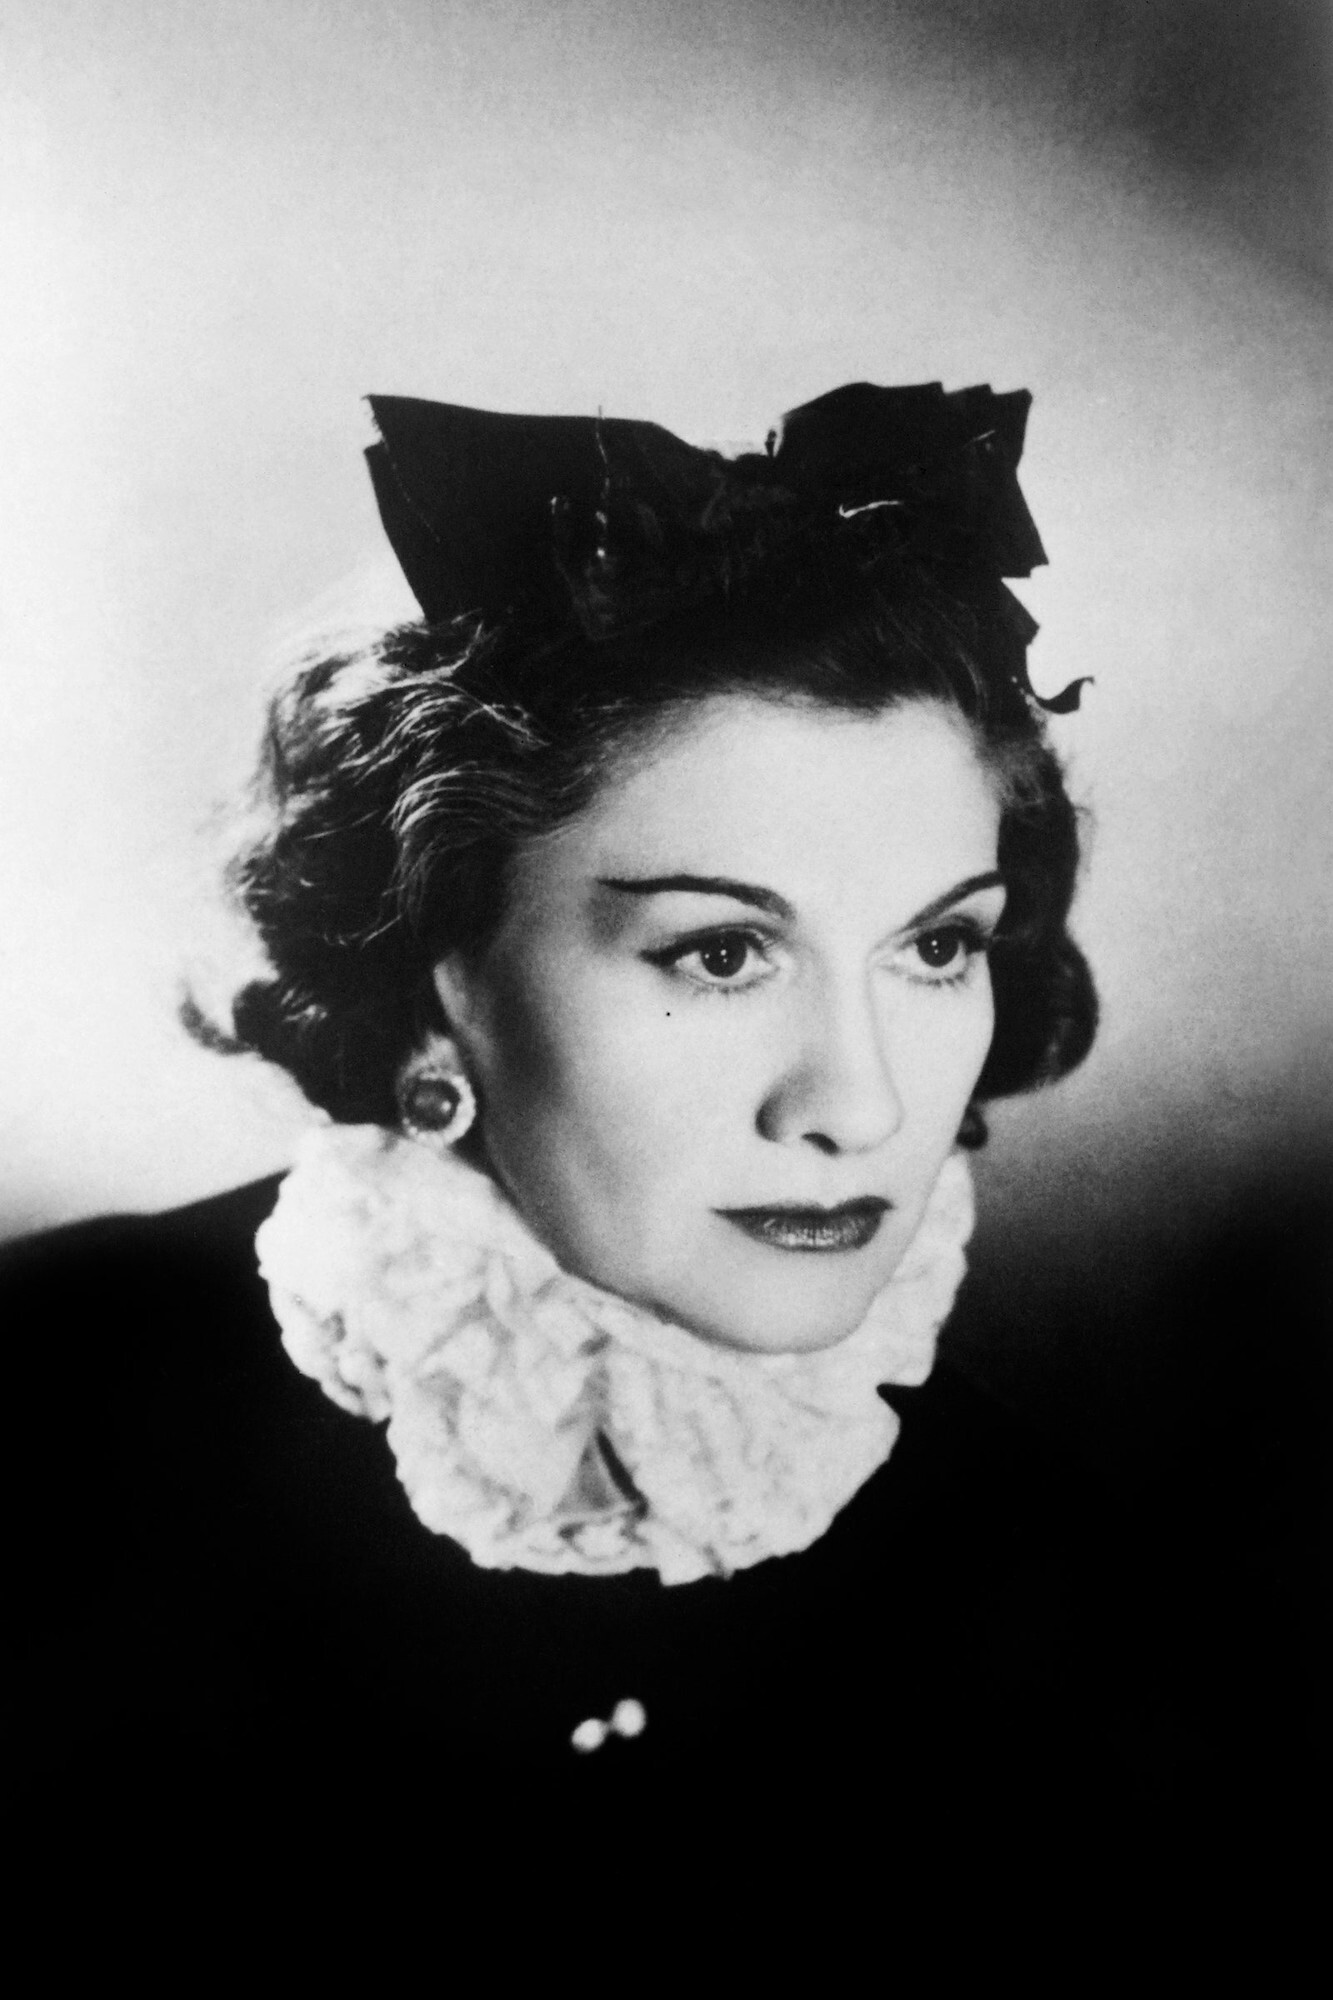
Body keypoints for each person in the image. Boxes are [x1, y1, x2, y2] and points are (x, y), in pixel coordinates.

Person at [10, 381, 1176, 1836]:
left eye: (936, 946)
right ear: (440, 974)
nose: (861, 1104)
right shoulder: (50, 1401)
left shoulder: (1040, 1572)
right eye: (721, 954)